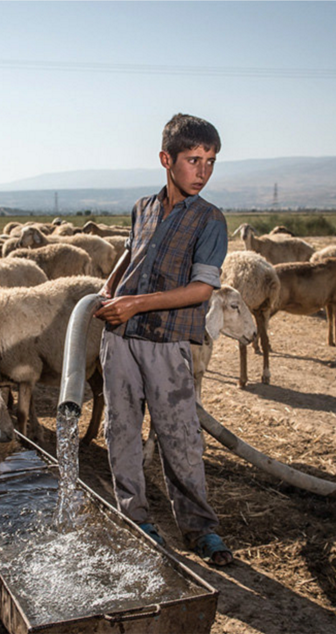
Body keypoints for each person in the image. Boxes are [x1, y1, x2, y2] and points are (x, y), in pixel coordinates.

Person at [93, 113, 232, 566]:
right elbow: (131, 252)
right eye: (194, 160)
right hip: (121, 339)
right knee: (122, 430)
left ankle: (199, 528)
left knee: (180, 437)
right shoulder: (144, 208)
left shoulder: (210, 220)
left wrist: (136, 304)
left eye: (211, 161)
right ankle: (135, 517)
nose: (203, 171)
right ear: (166, 159)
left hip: (167, 342)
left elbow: (201, 290)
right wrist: (110, 289)